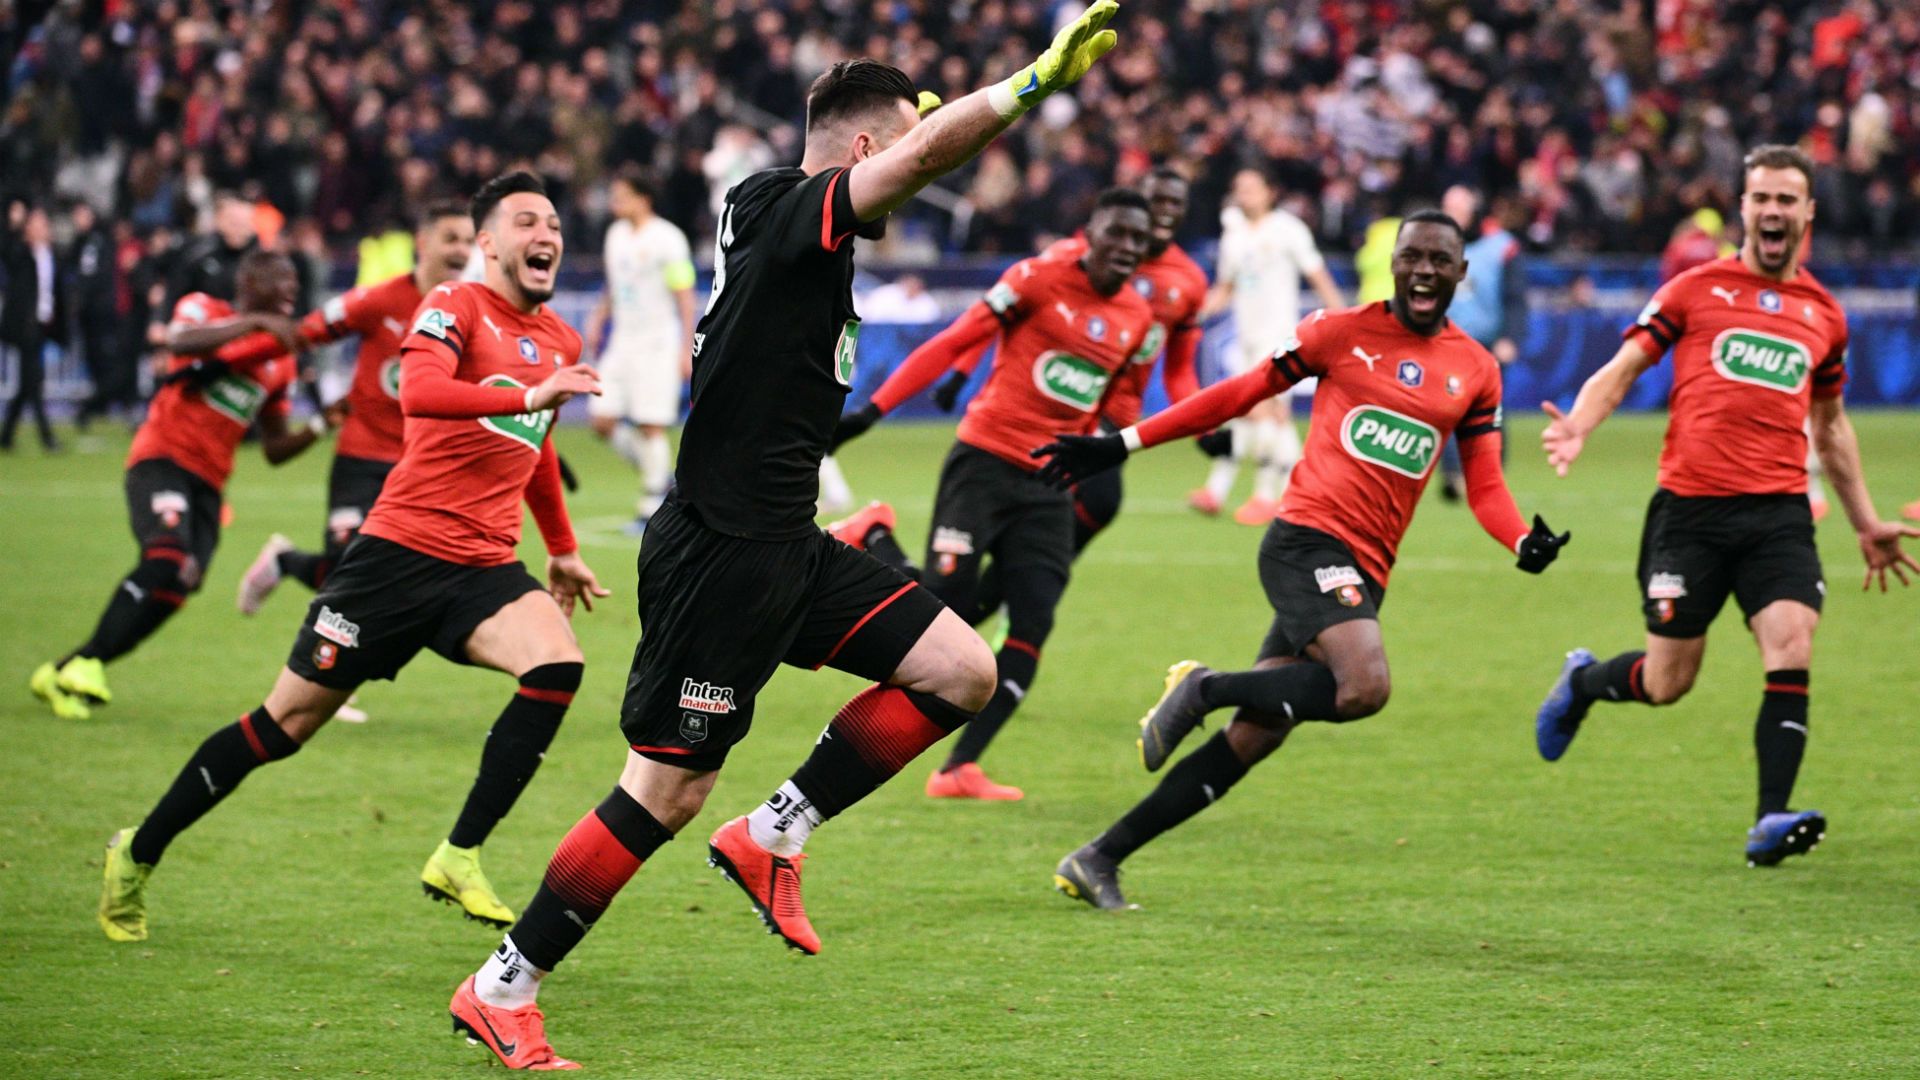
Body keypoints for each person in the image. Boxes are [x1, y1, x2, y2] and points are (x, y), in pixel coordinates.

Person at [447, 9, 1119, 1064]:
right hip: (718, 552)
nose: (912, 172)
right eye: (897, 147)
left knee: (961, 671)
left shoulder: (804, 232)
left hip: (784, 545)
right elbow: (931, 150)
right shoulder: (785, 208)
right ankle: (504, 983)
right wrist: (1027, 85)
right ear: (862, 152)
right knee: (664, 790)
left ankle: (774, 832)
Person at [92, 172, 609, 943]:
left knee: (557, 665)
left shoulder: (560, 339)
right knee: (283, 726)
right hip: (395, 558)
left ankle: (459, 854)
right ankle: (138, 850)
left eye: (557, 224)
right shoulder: (451, 305)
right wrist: (526, 398)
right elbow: (422, 395)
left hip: (483, 567)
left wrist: (562, 551)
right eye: (528, 221)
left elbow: (536, 450)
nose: (548, 235)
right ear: (489, 243)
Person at [1031, 211, 1570, 910]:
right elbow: (1237, 394)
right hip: (1307, 542)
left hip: (1364, 571)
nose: (1426, 270)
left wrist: (1521, 540)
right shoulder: (1338, 332)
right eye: (1414, 256)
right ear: (1394, 264)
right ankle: (1202, 687)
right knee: (1363, 686)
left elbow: (1486, 482)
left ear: (1461, 274)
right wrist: (1122, 443)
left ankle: (1098, 857)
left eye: (1441, 259)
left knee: (1255, 737)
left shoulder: (1475, 369)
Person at [1532, 145, 1918, 867]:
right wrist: (1579, 424)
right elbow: (1623, 369)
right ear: (1743, 208)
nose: (1772, 210)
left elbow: (1831, 429)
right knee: (1668, 681)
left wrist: (1866, 521)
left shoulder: (1823, 316)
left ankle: (1770, 819)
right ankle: (1584, 681)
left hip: (1777, 515)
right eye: (1761, 198)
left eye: (1786, 200)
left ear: (1808, 212)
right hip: (1691, 513)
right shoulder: (1694, 290)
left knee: (1792, 642)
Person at [828, 187, 1157, 800]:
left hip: (1051, 483)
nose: (1128, 248)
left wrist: (1108, 434)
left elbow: (1123, 401)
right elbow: (957, 339)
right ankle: (872, 533)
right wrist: (872, 412)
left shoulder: (1139, 320)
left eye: (1140, 241)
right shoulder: (1036, 278)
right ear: (1091, 233)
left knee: (1033, 620)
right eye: (1118, 234)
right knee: (943, 600)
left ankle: (958, 768)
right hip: (984, 460)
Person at [30, 251, 328, 720]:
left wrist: (320, 426)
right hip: (161, 461)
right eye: (282, 278)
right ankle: (86, 666)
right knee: (166, 557)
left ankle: (67, 668)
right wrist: (253, 323)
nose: (293, 287)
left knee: (181, 583)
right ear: (250, 282)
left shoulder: (279, 363)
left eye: (295, 278)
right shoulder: (205, 310)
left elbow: (272, 448)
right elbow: (180, 341)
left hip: (210, 484)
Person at [928, 166, 1209, 572]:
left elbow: (1179, 368)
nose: (1165, 211)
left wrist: (1204, 429)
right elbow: (1000, 312)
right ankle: (1015, 585)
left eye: (1175, 204)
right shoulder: (1072, 257)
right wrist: (961, 370)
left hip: (1117, 415)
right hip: (1056, 411)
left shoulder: (1190, 281)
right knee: (1091, 503)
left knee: (1096, 508)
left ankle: (1020, 585)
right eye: (1156, 201)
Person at [234, 201, 476, 613]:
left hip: (422, 467)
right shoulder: (378, 300)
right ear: (422, 242)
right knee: (347, 573)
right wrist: (229, 355)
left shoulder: (472, 311)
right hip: (361, 458)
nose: (461, 251)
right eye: (450, 239)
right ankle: (284, 562)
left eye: (469, 241)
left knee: (409, 581)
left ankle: (289, 566)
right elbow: (304, 333)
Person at [1194, 167, 1344, 524]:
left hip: (1279, 337)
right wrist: (1198, 313)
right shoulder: (1233, 234)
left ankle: (1265, 495)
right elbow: (1226, 286)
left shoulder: (1288, 229)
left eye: (1251, 188)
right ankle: (1224, 491)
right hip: (1246, 336)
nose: (1244, 194)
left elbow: (1316, 273)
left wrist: (1341, 317)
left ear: (1269, 192)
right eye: (1239, 188)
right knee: (1255, 413)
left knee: (1263, 411)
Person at [582, 170, 697, 530]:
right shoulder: (615, 236)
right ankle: (662, 476)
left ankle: (651, 504)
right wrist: (599, 318)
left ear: (643, 198)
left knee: (651, 424)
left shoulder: (668, 238)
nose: (615, 202)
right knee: (602, 419)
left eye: (622, 195)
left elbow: (684, 293)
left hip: (656, 341)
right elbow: (615, 285)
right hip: (622, 340)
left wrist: (685, 346)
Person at [1435, 186, 1527, 501]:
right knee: (1446, 407)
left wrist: (1510, 337)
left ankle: (1491, 476)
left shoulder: (1501, 247)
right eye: (1449, 207)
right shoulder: (1433, 245)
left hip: (1487, 343)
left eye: (1459, 207)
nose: (1454, 214)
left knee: (1490, 410)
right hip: (1446, 339)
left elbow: (1516, 298)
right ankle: (1452, 474)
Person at [1, 201, 63, 451]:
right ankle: (47, 438)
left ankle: (6, 437)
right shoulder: (21, 253)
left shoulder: (50, 254)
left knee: (28, 384)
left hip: (41, 326)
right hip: (24, 327)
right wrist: (13, 225)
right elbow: (6, 249)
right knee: (33, 382)